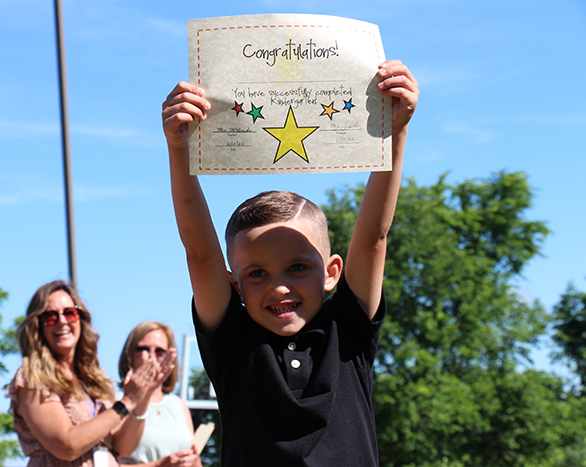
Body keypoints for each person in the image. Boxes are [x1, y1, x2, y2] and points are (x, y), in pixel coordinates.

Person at [161, 59, 419, 465]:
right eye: (257, 273)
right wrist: (179, 149)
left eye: (298, 267)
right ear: (234, 286)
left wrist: (396, 129)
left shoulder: (347, 331)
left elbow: (373, 237)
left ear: (332, 272)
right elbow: (200, 251)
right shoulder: (234, 344)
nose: (279, 286)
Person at [6, 280, 176, 466]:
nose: (62, 321)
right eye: (51, 317)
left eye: (70, 313)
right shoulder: (33, 377)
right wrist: (127, 402)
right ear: (37, 326)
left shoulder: (95, 376)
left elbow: (122, 448)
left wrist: (142, 397)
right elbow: (66, 446)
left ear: (81, 318)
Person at [117, 321, 202, 466]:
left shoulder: (178, 405)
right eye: (142, 349)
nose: (151, 356)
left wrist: (193, 461)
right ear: (129, 355)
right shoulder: (115, 402)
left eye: (159, 351)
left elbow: (196, 461)